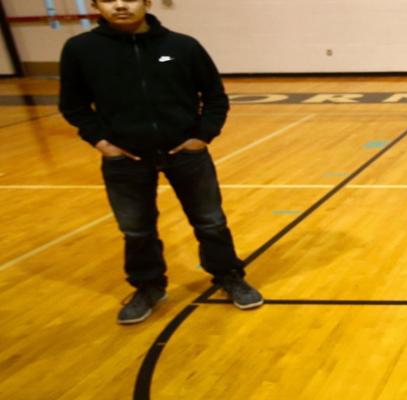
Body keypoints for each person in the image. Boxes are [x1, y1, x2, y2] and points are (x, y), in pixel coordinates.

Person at [58, 0, 263, 326]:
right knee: (136, 229)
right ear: (95, 4)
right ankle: (148, 287)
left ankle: (228, 276)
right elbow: (73, 105)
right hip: (125, 158)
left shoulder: (182, 46)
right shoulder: (80, 49)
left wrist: (202, 137)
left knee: (210, 221)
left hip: (186, 153)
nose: (120, 5)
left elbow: (214, 96)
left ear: (147, 2)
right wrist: (102, 143)